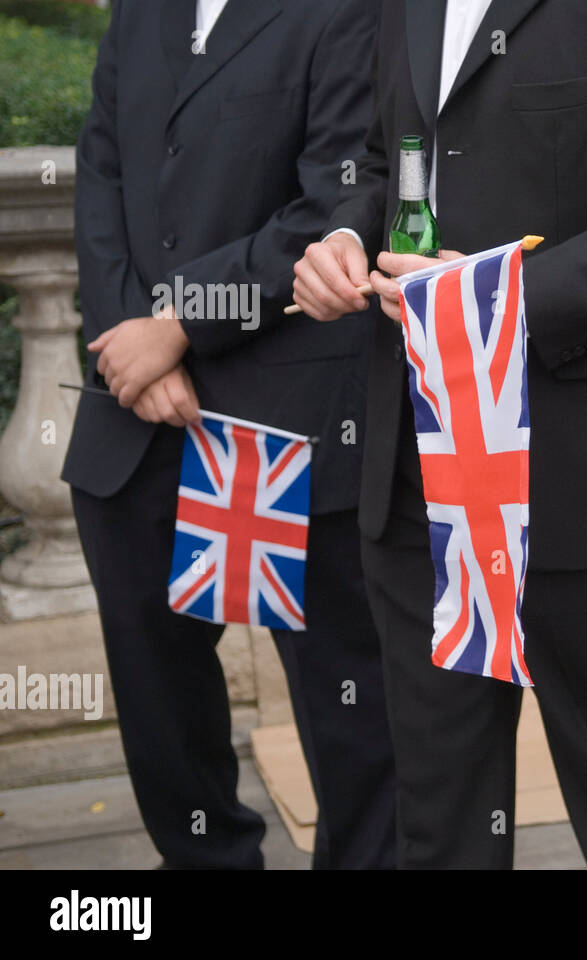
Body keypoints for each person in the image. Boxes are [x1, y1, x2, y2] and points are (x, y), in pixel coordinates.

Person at [289, 0, 587, 868]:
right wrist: (342, 236)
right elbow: (382, 158)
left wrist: (498, 302)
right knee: (438, 817)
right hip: (416, 474)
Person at [65, 0, 396, 869]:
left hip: (294, 416)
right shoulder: (141, 12)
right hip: (135, 416)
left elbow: (342, 197)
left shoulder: (354, 11)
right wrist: (131, 341)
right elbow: (99, 171)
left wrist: (179, 323)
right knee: (158, 705)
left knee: (351, 717)